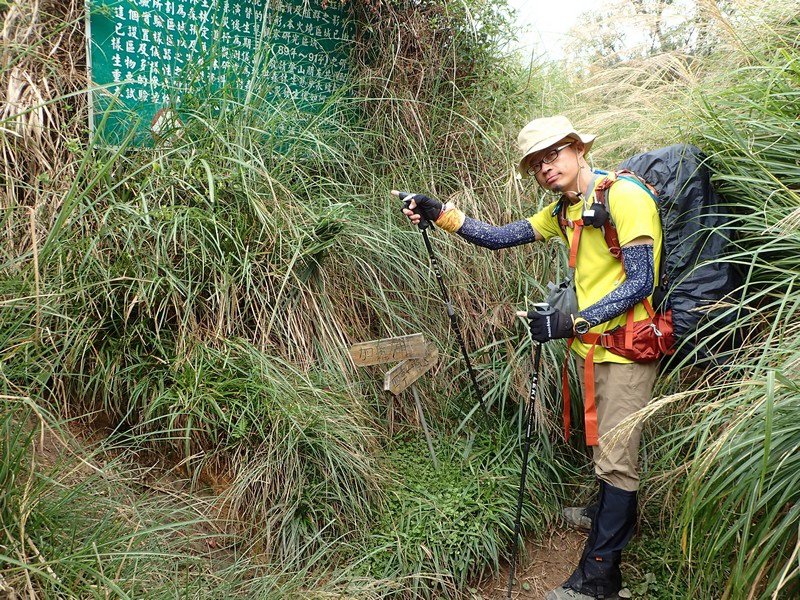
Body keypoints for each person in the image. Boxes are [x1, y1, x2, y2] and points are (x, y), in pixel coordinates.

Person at [397, 115, 662, 600]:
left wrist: (572, 322)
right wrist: (439, 213)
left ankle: (599, 580)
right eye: (536, 162)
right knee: (606, 450)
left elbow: (641, 282)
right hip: (592, 348)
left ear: (578, 148)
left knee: (619, 462)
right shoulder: (564, 210)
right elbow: (500, 237)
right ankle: (603, 513)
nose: (545, 166)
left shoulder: (624, 197)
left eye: (553, 154)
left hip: (627, 351)